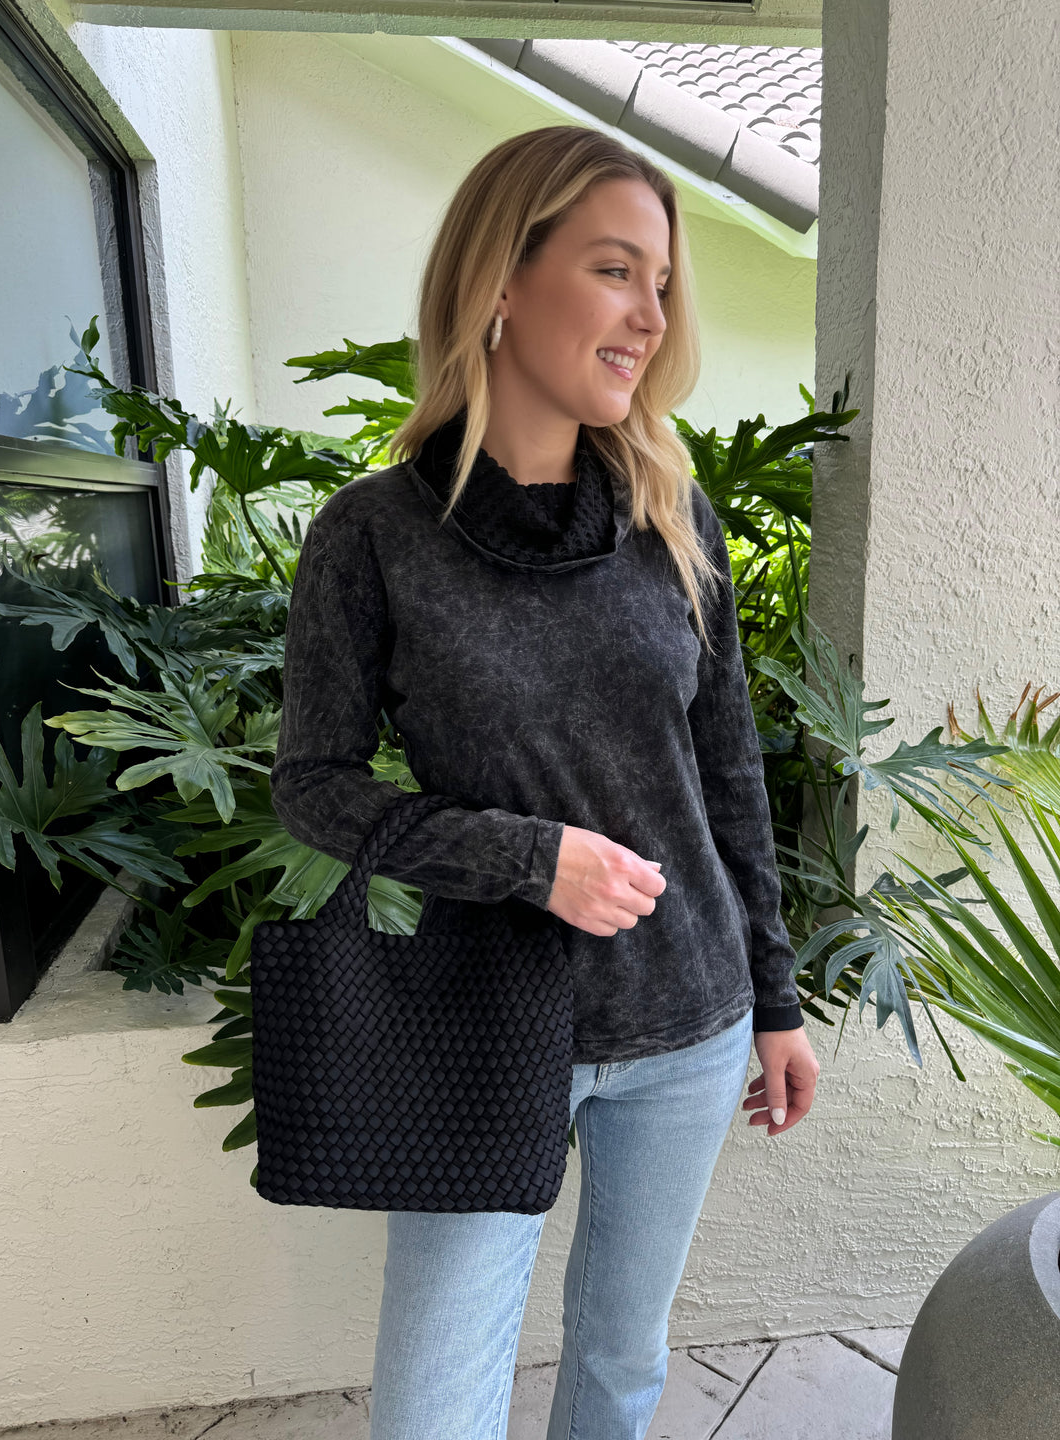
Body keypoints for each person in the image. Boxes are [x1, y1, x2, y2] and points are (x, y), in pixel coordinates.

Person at [269, 124, 821, 1440]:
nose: (650, 314)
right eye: (617, 270)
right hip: (489, 1024)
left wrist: (776, 1001)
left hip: (687, 1022)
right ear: (502, 281)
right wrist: (530, 860)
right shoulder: (377, 537)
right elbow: (314, 787)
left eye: (664, 284)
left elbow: (727, 770)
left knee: (622, 1365)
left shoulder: (672, 516)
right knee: (432, 1407)